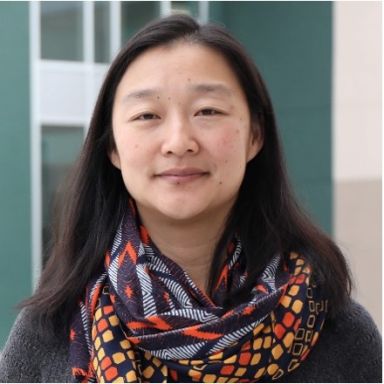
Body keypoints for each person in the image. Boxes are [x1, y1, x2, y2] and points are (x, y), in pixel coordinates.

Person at [0, 14, 381, 383]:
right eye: (147, 115)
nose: (179, 142)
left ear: (255, 136)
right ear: (112, 147)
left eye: (208, 111)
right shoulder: (48, 333)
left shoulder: (337, 332)